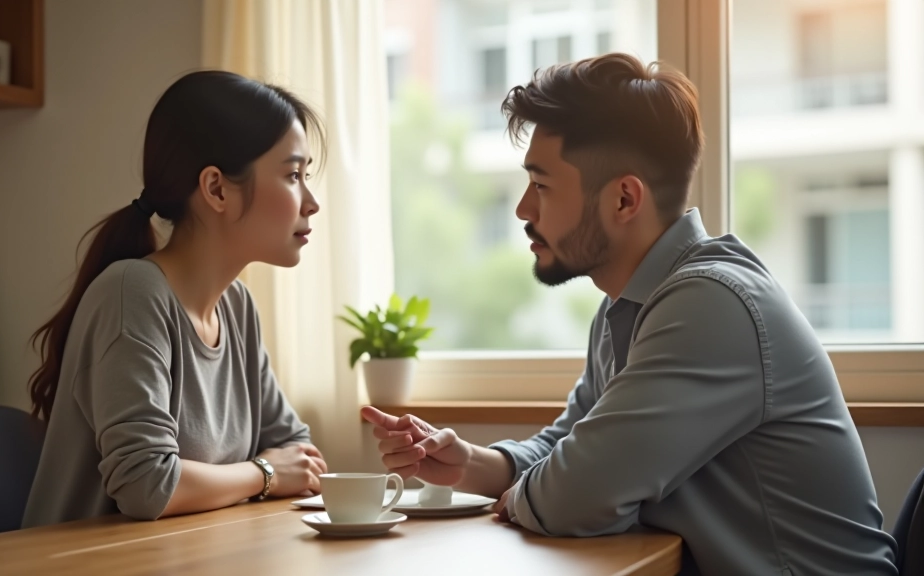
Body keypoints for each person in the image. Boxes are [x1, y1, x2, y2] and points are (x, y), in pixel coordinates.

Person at [363, 53, 898, 575]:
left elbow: (577, 494)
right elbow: (572, 444)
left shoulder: (711, 304)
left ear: (623, 200)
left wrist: (535, 492)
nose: (523, 209)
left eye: (542, 184)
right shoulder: (631, 305)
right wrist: (472, 464)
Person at [23, 71, 328, 528]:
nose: (310, 202)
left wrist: (270, 471)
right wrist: (265, 473)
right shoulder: (133, 294)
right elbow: (147, 485)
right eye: (292, 175)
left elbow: (299, 455)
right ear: (216, 189)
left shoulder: (237, 307)